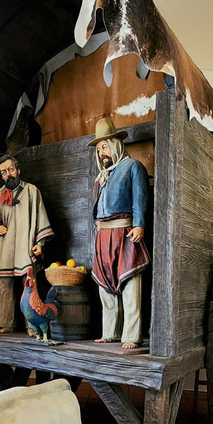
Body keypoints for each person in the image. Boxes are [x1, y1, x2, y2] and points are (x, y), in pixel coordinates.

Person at [88, 117, 150, 349]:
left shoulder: (132, 167)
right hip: (103, 237)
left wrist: (140, 225)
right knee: (105, 286)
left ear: (116, 144)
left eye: (105, 146)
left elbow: (140, 198)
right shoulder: (101, 176)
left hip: (125, 232)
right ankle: (110, 331)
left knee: (130, 284)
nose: (102, 151)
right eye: (99, 148)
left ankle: (132, 335)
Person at [0, 154, 53, 333]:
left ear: (18, 170)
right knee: (5, 286)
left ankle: (31, 325)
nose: (8, 174)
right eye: (3, 172)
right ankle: (6, 324)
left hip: (26, 245)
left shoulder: (32, 191)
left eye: (10, 170)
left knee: (30, 285)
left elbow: (41, 217)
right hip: (7, 247)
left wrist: (40, 243)